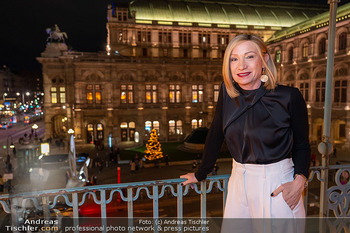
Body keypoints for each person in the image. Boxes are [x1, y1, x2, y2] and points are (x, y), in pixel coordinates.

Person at [180, 34, 310, 225]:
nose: (241, 66)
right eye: (234, 58)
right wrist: (201, 172)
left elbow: (302, 145)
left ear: (264, 60)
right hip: (238, 182)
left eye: (249, 56)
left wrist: (300, 181)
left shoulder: (289, 96)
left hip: (276, 185)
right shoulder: (226, 93)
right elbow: (216, 133)